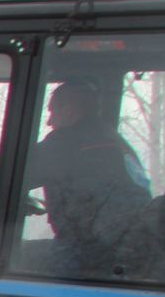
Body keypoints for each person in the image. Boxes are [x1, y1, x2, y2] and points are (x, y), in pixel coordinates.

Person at [24, 79, 151, 272]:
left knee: (14, 257)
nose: (49, 121)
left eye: (52, 112)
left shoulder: (68, 143)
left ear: (69, 109)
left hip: (95, 253)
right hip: (126, 250)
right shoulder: (111, 141)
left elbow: (19, 169)